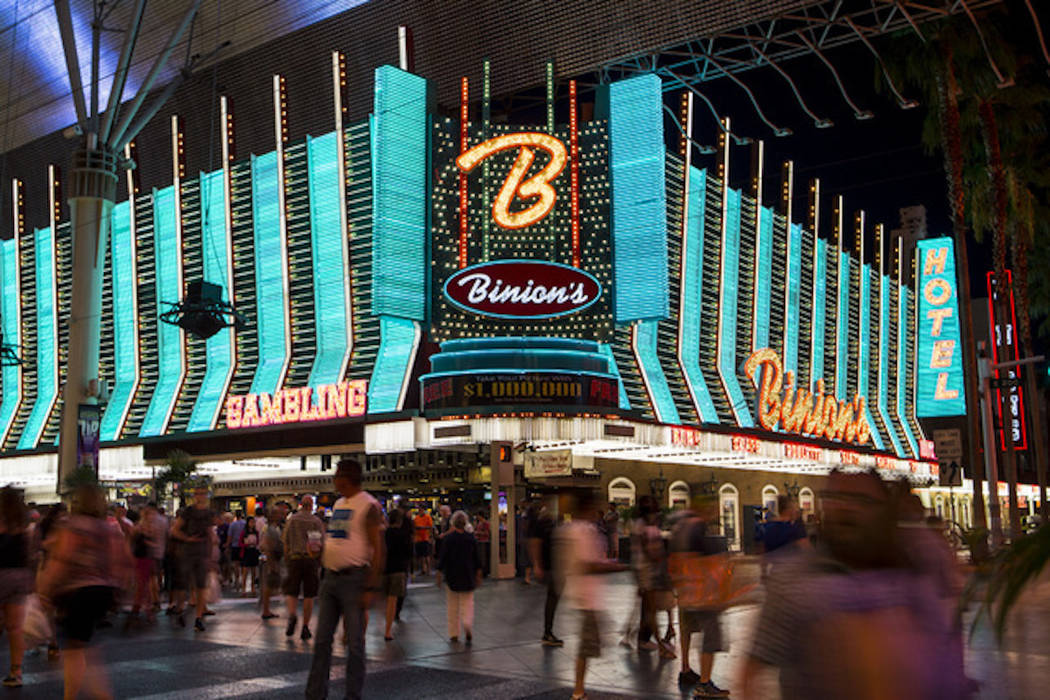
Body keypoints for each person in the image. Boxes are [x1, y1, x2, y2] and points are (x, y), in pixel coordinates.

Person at [738, 470, 968, 700]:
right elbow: (752, 672)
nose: (846, 508)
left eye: (861, 501)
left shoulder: (911, 574)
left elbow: (942, 657)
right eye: (835, 498)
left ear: (882, 510)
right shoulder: (793, 580)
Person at [38, 484, 131, 700]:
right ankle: (89, 694)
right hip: (101, 591)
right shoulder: (109, 527)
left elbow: (62, 558)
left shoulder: (73, 525)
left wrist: (45, 590)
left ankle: (90, 695)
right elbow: (121, 560)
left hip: (77, 592)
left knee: (74, 650)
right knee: (84, 647)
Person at [305, 459, 383, 700]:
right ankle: (315, 694)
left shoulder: (368, 505)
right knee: (322, 641)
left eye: (337, 475)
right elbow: (339, 537)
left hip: (354, 578)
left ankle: (352, 695)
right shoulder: (339, 503)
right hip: (330, 577)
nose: (334, 479)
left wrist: (370, 586)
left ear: (347, 478)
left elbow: (378, 548)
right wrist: (320, 551)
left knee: (355, 644)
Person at [559, 490, 626, 700]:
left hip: (587, 596)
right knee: (586, 646)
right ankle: (578, 691)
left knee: (591, 643)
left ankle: (579, 689)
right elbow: (587, 564)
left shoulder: (578, 529)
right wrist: (615, 567)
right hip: (587, 596)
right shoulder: (582, 531)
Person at [670, 495, 731, 697]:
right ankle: (704, 683)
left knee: (687, 629)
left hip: (685, 591)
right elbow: (698, 559)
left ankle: (686, 668)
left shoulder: (680, 525)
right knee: (711, 634)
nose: (715, 512)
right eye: (712, 507)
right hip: (700, 592)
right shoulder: (697, 526)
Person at [171, 486, 215, 632]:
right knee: (185, 585)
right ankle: (181, 610)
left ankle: (198, 618)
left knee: (201, 586)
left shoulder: (208, 513)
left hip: (201, 553)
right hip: (188, 552)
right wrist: (188, 539)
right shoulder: (188, 512)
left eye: (203, 494)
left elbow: (210, 534)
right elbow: (175, 530)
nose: (200, 496)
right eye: (198, 494)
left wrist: (210, 554)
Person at [0, 487, 31, 687]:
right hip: (20, 577)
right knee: (15, 629)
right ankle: (16, 671)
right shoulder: (23, 524)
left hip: (1, 575)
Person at [283, 495, 325, 640]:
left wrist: (287, 557)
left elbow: (286, 540)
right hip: (311, 560)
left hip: (295, 559)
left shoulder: (292, 520)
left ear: (301, 504)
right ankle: (305, 627)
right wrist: (319, 561)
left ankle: (293, 615)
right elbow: (321, 543)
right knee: (309, 595)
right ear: (311, 505)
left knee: (292, 591)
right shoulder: (316, 521)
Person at [436, 510, 481, 643]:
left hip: (452, 575)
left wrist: (439, 573)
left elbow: (443, 557)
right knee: (467, 604)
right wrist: (478, 573)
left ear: (453, 523)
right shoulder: (471, 538)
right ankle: (467, 624)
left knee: (452, 606)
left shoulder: (448, 539)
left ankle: (454, 633)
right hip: (468, 575)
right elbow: (477, 558)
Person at [528, 503, 563, 647]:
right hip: (550, 567)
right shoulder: (541, 525)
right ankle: (547, 632)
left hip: (555, 566)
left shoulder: (553, 524)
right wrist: (537, 565)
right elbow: (535, 544)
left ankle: (548, 631)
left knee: (553, 597)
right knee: (552, 597)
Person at [382, 508, 412, 641]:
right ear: (400, 521)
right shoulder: (404, 535)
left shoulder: (384, 534)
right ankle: (388, 630)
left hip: (383, 569)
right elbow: (410, 553)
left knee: (381, 600)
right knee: (392, 600)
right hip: (398, 569)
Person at [260, 503, 286, 620]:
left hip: (274, 560)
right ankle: (266, 610)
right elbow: (267, 545)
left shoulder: (274, 528)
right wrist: (272, 564)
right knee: (268, 586)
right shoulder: (269, 529)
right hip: (271, 561)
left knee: (269, 586)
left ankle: (267, 609)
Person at [240, 516, 261, 595]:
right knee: (245, 571)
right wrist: (246, 544)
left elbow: (258, 541)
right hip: (246, 551)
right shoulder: (244, 532)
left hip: (254, 551)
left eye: (253, 522)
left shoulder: (256, 532)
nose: (252, 524)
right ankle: (243, 589)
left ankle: (253, 588)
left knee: (253, 571)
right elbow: (240, 543)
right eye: (251, 522)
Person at [413, 507, 434, 575]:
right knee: (421, 555)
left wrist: (423, 528)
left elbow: (430, 527)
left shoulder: (428, 517)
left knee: (426, 554)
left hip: (425, 538)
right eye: (419, 510)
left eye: (421, 510)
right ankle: (423, 569)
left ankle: (428, 569)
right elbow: (414, 527)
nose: (420, 511)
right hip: (418, 538)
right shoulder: (416, 518)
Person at [227, 510, 246, 586]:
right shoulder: (245, 523)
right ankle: (242, 579)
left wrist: (227, 545)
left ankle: (237, 580)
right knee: (243, 565)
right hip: (243, 546)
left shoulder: (232, 525)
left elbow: (230, 536)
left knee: (236, 564)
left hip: (235, 546)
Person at [474, 511, 491, 578]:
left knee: (483, 557)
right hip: (479, 541)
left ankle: (484, 571)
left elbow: (487, 533)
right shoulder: (479, 523)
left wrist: (478, 533)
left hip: (483, 541)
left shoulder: (485, 523)